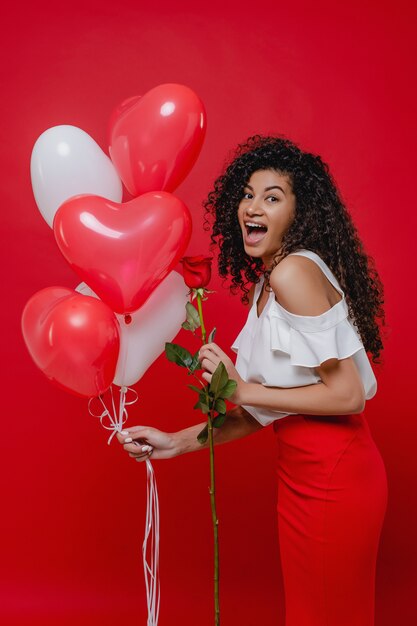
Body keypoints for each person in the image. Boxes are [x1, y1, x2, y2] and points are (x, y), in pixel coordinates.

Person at [117, 135, 388, 626]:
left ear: (298, 213)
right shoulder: (271, 281)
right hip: (301, 477)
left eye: (272, 196)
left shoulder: (294, 272)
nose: (253, 206)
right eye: (246, 194)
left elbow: (348, 395)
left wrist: (242, 388)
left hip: (335, 477)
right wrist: (173, 443)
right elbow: (265, 410)